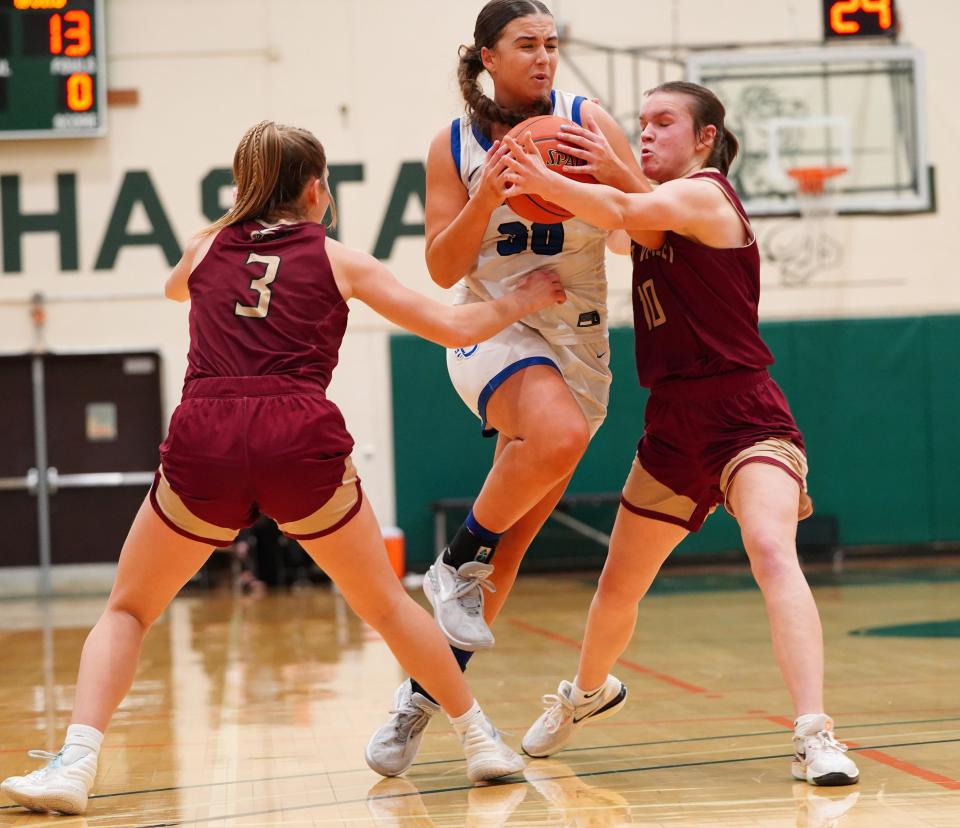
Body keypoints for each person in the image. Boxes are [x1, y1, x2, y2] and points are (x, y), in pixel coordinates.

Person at [0, 120, 568, 815]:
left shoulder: (206, 247)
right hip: (295, 434)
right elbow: (450, 327)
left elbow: (177, 289)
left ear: (242, 188)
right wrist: (523, 299)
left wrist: (234, 218)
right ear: (314, 189)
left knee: (128, 607)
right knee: (387, 605)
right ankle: (479, 740)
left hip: (206, 432)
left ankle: (76, 763)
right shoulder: (339, 258)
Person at [501, 81, 860, 787]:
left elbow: (629, 209)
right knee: (617, 587)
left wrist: (546, 176)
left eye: (663, 122)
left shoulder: (706, 195)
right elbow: (620, 221)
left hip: (743, 413)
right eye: (641, 123)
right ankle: (586, 693)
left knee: (768, 547)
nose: (646, 132)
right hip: (670, 420)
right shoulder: (654, 212)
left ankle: (815, 733)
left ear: (704, 138)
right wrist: (579, 175)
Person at [364, 0, 647, 778]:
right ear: (487, 56)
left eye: (553, 44)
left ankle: (418, 703)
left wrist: (606, 179)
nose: (545, 57)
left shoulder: (587, 121)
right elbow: (442, 269)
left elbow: (634, 231)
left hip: (580, 345)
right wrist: (490, 192)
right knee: (544, 451)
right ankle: (455, 561)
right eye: (527, 44)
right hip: (493, 329)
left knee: (510, 558)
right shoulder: (451, 145)